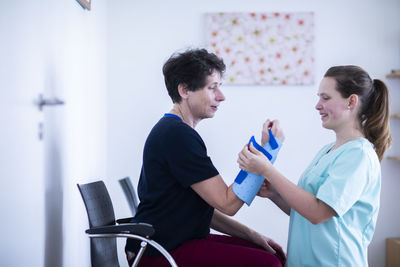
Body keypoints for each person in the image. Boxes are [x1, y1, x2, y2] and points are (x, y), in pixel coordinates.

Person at [125, 48, 286, 267]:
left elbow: (204, 212)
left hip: (169, 243)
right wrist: (267, 153)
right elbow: (228, 203)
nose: (222, 96)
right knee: (269, 264)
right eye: (212, 88)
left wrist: (253, 235)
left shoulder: (177, 131)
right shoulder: (177, 135)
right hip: (161, 252)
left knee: (271, 255)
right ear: (184, 90)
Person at [238, 65, 391, 266]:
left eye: (325, 98)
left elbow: (319, 213)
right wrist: (275, 194)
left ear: (351, 101)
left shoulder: (359, 155)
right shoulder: (328, 150)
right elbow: (305, 213)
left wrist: (268, 169)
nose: (317, 105)